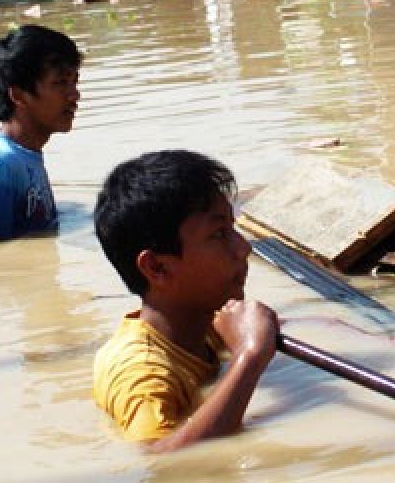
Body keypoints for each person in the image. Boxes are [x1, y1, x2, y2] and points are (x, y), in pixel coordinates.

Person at [92, 150, 279, 452]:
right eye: (219, 234)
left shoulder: (199, 320)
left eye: (233, 229)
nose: (243, 248)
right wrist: (249, 356)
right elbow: (164, 463)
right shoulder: (142, 374)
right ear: (157, 268)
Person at [0, 25, 83, 249]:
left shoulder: (24, 154)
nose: (75, 95)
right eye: (60, 83)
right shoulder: (0, 163)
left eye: (74, 81)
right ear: (19, 95)